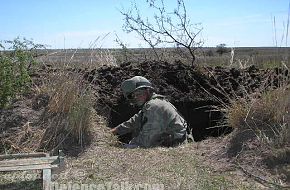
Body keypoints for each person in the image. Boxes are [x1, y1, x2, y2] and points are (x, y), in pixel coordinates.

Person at [110, 76, 189, 148]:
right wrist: (113, 132)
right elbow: (133, 121)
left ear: (148, 90)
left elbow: (146, 141)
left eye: (139, 93)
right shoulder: (150, 104)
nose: (136, 97)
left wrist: (122, 146)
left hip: (176, 146)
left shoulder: (155, 106)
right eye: (132, 96)